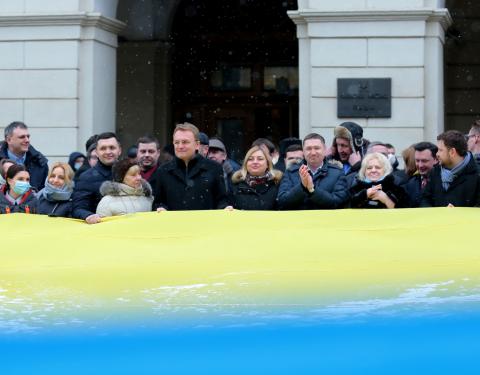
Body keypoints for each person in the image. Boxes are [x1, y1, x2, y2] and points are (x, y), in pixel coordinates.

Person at [153, 123, 229, 211]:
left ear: (197, 145)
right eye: (177, 142)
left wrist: (225, 207)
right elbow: (158, 202)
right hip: (174, 224)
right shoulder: (163, 171)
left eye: (185, 142)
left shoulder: (214, 168)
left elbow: (222, 200)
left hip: (205, 224)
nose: (180, 146)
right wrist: (161, 208)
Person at [277, 133, 349, 210]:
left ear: (324, 149)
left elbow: (339, 202)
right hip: (298, 221)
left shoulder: (337, 173)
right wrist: (302, 187)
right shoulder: (291, 172)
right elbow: (282, 202)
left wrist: (312, 189)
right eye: (308, 149)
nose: (313, 153)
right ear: (303, 151)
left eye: (317, 148)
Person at [72, 132, 122, 223]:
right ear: (97, 152)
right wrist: (88, 216)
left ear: (119, 150)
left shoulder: (131, 173)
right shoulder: (86, 178)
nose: (108, 152)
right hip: (101, 231)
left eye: (112, 147)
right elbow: (78, 208)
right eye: (103, 148)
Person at [421, 130, 480, 207]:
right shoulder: (435, 171)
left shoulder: (477, 174)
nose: (437, 154)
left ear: (452, 152)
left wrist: (458, 213)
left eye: (440, 150)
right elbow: (425, 199)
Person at [230, 145, 283, 210]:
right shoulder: (236, 184)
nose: (255, 162)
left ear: (267, 164)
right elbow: (226, 204)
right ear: (246, 164)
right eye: (250, 159)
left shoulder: (277, 183)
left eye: (260, 159)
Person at [0, 121, 48, 191]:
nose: (27, 140)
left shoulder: (40, 163)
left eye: (28, 136)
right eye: (22, 137)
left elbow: (43, 195)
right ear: (9, 140)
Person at [403, 142, 438, 207]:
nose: (420, 165)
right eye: (417, 161)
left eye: (424, 161)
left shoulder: (445, 181)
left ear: (436, 159)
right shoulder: (411, 183)